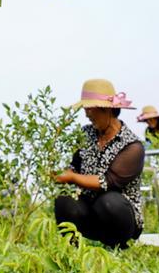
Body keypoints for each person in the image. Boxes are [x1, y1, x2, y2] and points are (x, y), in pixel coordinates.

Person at [52, 79, 145, 248]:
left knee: (109, 202)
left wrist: (71, 177)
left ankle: (118, 246)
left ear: (106, 109)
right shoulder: (86, 134)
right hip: (91, 211)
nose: (86, 114)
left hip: (119, 218)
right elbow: (75, 165)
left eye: (89, 108)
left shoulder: (132, 146)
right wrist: (59, 174)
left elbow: (107, 182)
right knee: (64, 200)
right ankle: (73, 250)